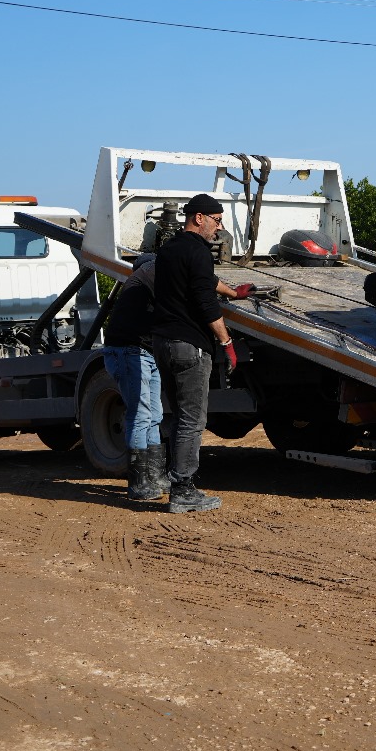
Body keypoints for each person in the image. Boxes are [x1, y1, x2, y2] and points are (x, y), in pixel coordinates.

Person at [149, 193, 255, 513]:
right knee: (192, 419)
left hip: (162, 343)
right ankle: (183, 490)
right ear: (199, 218)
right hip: (189, 346)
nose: (218, 228)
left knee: (177, 416)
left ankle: (170, 478)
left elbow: (203, 280)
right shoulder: (198, 250)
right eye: (217, 220)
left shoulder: (168, 250)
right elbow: (204, 301)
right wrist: (226, 343)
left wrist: (234, 291)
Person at [101, 253, 167, 502]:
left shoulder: (140, 287)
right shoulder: (142, 284)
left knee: (155, 415)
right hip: (128, 352)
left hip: (143, 352)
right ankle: (138, 482)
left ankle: (154, 476)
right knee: (140, 414)